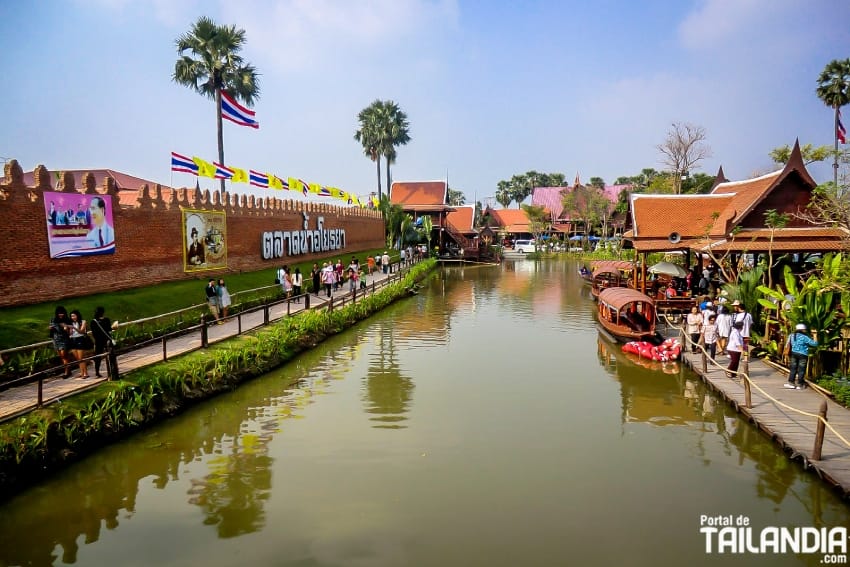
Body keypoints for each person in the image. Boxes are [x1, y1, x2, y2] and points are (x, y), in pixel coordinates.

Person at [785, 323, 818, 390]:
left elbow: (787, 345)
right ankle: (800, 384)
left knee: (793, 369)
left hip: (794, 354)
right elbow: (814, 344)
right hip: (803, 355)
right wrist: (815, 335)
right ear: (803, 330)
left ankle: (791, 383)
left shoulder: (791, 335)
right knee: (801, 370)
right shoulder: (804, 337)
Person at [49, 306, 74, 378]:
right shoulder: (53, 319)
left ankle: (67, 372)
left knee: (64, 355)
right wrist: (50, 328)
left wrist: (66, 328)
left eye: (62, 313)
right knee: (61, 356)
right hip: (56, 340)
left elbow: (70, 332)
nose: (61, 314)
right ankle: (68, 369)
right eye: (59, 313)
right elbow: (50, 327)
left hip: (64, 340)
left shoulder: (67, 320)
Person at [90, 306, 113, 378]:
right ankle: (112, 370)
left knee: (98, 357)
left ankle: (97, 372)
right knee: (110, 355)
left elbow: (94, 333)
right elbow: (109, 329)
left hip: (99, 340)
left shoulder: (93, 321)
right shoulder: (106, 319)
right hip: (107, 339)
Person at [68, 309, 90, 378]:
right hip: (73, 340)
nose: (73, 317)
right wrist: (69, 330)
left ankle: (85, 373)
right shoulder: (71, 323)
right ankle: (81, 372)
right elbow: (70, 334)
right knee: (77, 358)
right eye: (71, 316)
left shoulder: (83, 322)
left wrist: (74, 327)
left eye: (74, 316)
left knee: (81, 358)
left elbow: (82, 331)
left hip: (80, 339)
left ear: (77, 315)